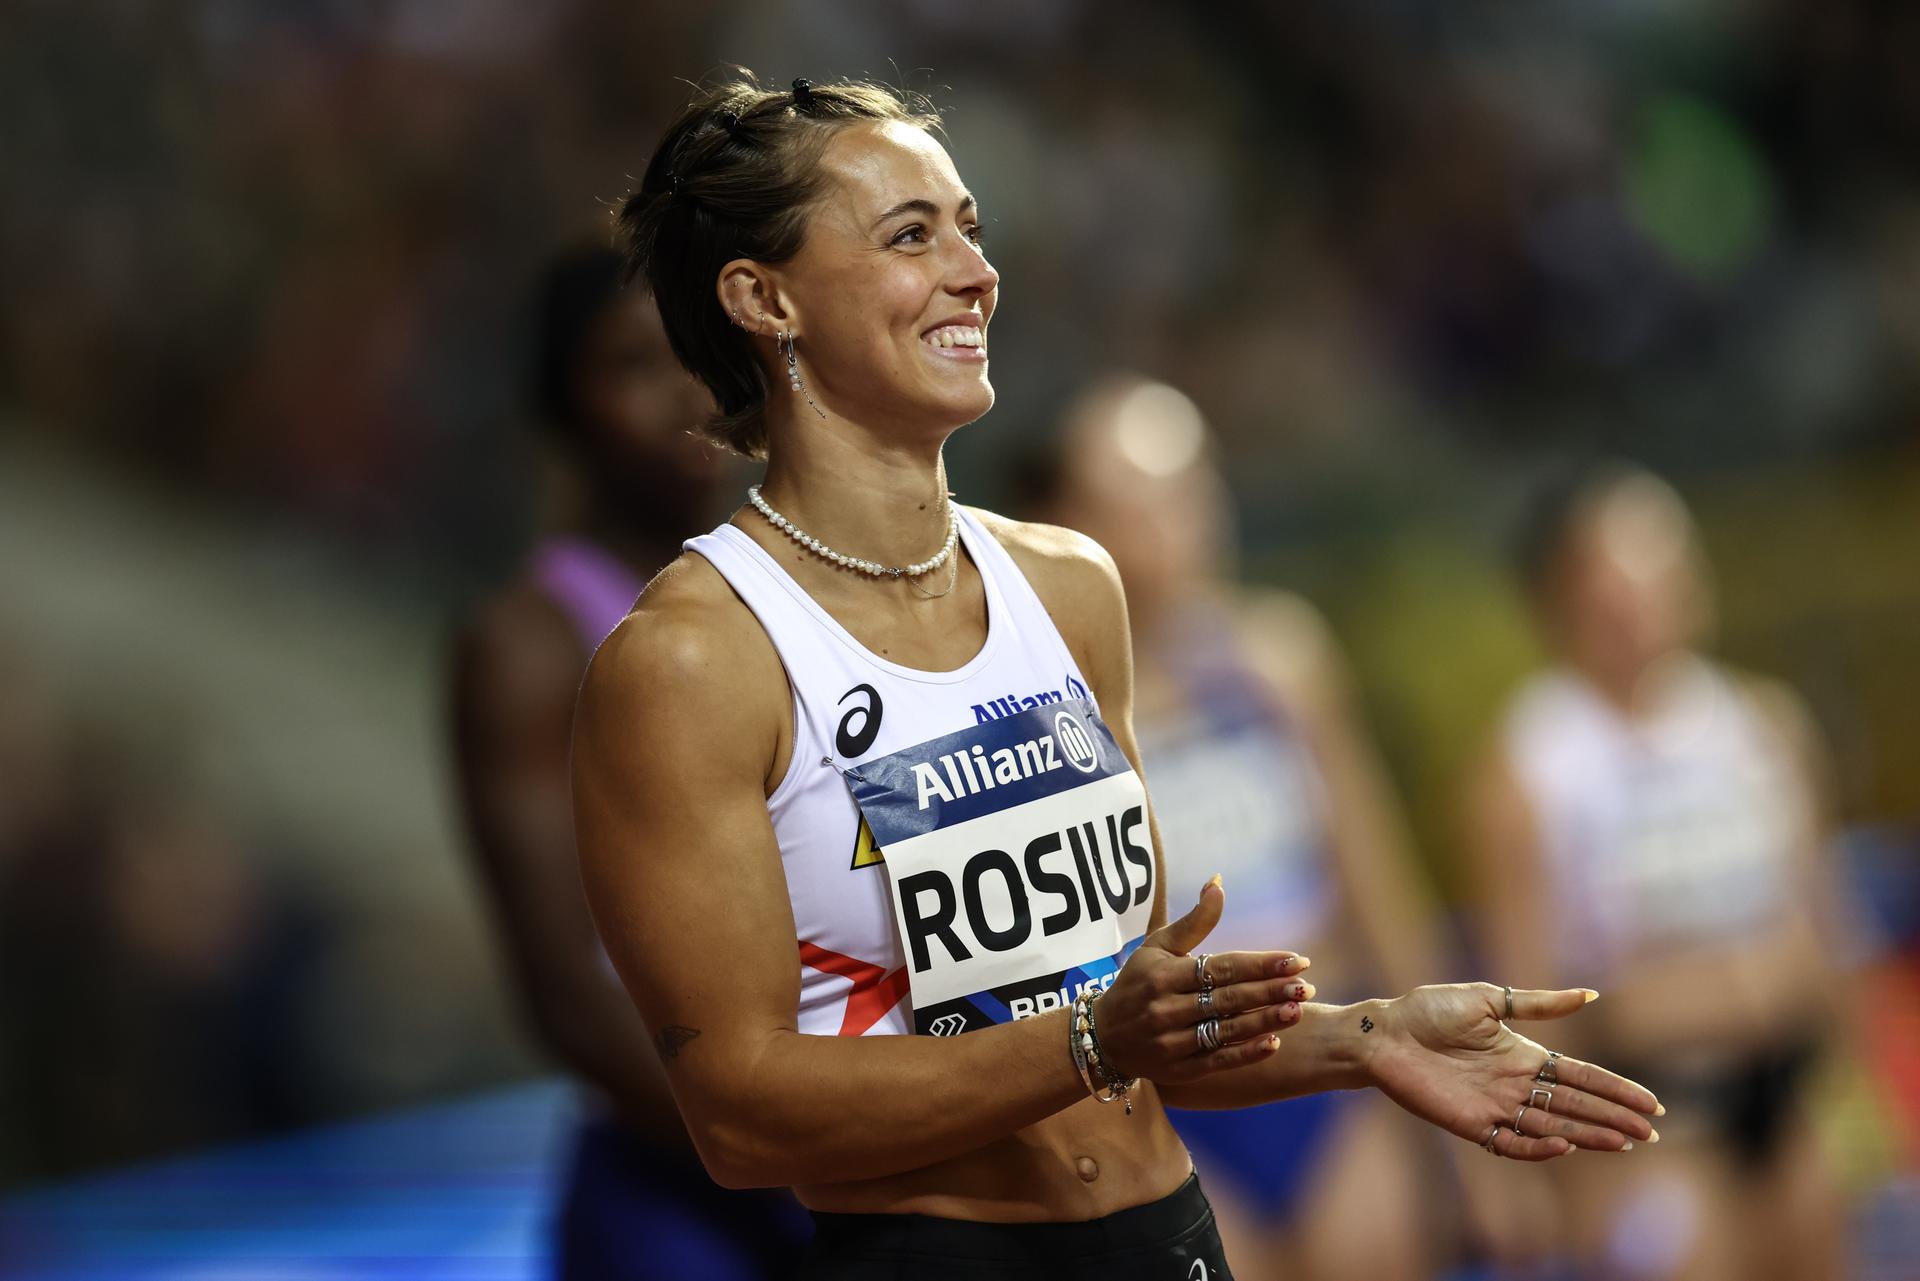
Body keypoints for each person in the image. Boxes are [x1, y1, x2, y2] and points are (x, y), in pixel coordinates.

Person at [572, 74, 1660, 1281]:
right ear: (761, 297)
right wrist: (1090, 1038)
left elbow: (1145, 1020)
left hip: (1168, 1239)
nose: (977, 275)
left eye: (971, 228)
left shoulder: (1069, 588)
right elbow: (736, 1113)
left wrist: (1368, 1036)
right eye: (910, 235)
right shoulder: (691, 659)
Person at [1019, 375, 1447, 1281]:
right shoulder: (1045, 715)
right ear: (1058, 521)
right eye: (1135, 502)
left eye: (1191, 488)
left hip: (1325, 1061)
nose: (1178, 524)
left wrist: (1436, 1073)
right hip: (1168, 1095)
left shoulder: (1280, 660)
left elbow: (1375, 877)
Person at [449, 244, 810, 1279]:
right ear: (561, 405)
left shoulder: (795, 592)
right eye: (631, 367)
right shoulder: (528, 648)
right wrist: (805, 1152)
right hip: (680, 1193)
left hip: (841, 1142)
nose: (681, 398)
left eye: (697, 355)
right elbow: (569, 990)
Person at [1462, 463, 1850, 1280]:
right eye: (1613, 580)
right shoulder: (1532, 768)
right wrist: (1549, 1171)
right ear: (1560, 600)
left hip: (1782, 1086)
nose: (1642, 599)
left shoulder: (1764, 729)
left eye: (1662, 570)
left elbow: (1826, 934)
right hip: (1646, 1116)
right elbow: (1526, 999)